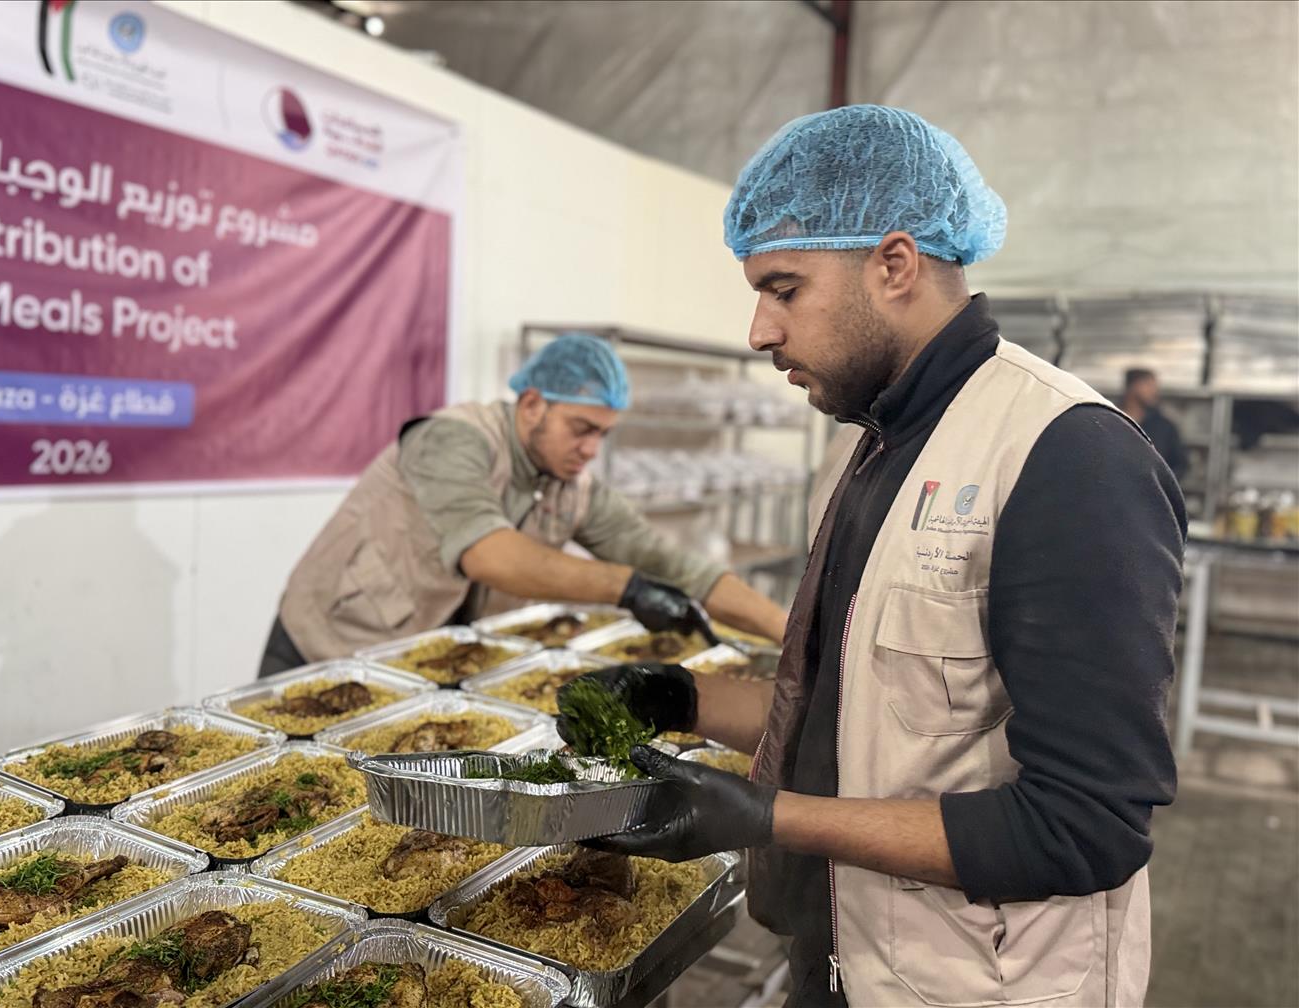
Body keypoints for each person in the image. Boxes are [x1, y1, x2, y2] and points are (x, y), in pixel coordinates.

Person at [560, 106, 1185, 1007]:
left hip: (977, 984)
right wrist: (682, 699)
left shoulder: (1067, 457)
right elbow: (852, 715)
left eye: (784, 289)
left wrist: (769, 816)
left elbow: (1086, 827)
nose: (759, 331)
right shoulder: (868, 447)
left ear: (894, 265)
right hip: (842, 956)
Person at [261, 333, 788, 676]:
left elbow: (672, 564)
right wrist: (626, 588)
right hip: (328, 640)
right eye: (581, 428)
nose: (591, 449)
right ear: (533, 404)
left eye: (603, 435)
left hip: (418, 662)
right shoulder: (452, 439)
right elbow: (488, 554)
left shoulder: (571, 484)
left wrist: (790, 635)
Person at [1122, 367, 1188, 480]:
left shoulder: (1164, 427)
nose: (1154, 391)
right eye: (1148, 385)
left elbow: (1180, 464)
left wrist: (1161, 484)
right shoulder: (1112, 420)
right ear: (1133, 387)